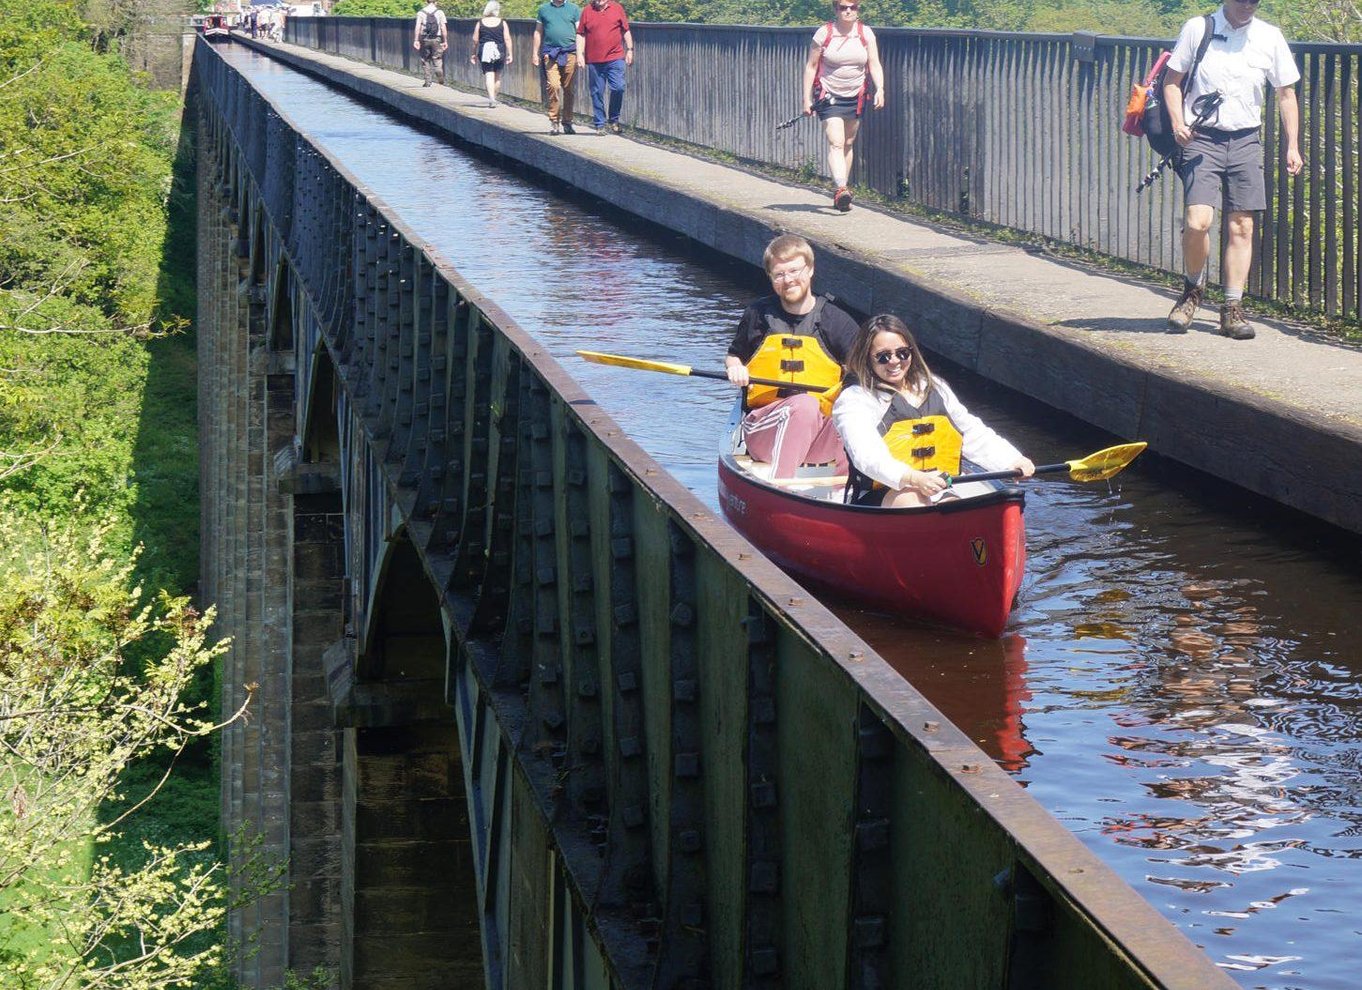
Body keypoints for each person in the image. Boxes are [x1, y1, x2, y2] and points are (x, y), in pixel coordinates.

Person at [1163, 0, 1302, 340]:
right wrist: (1178, 124)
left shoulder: (1269, 37)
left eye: (1254, 1)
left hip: (1245, 140)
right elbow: (1172, 82)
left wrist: (1292, 144)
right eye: (1242, 0)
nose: (1248, 6)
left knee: (1242, 226)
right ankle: (1193, 290)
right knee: (1198, 221)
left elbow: (1285, 93)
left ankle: (1231, 309)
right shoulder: (1199, 29)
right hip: (1202, 138)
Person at [832, 314, 1034, 507]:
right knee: (913, 497)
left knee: (968, 503)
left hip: (939, 487)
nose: (894, 361)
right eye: (883, 357)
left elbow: (971, 432)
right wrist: (913, 478)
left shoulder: (933, 386)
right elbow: (867, 455)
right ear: (867, 358)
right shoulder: (856, 399)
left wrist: (1012, 460)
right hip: (883, 493)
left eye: (902, 353)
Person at [724, 234, 859, 479]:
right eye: (779, 274)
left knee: (853, 418)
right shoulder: (757, 315)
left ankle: (846, 494)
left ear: (810, 270)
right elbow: (734, 356)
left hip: (818, 432)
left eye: (795, 271)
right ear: (771, 278)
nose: (788, 280)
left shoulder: (836, 321)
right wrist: (735, 368)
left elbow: (861, 370)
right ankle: (781, 486)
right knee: (804, 405)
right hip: (765, 428)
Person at [802, 1, 885, 213]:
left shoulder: (865, 33)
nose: (848, 11)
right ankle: (841, 188)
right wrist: (806, 99)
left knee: (848, 143)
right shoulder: (824, 33)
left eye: (853, 6)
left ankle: (842, 193)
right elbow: (811, 67)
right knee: (836, 142)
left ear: (858, 9)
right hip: (829, 95)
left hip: (855, 95)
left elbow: (874, 63)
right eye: (842, 7)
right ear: (835, 10)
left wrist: (880, 89)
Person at [576, 0, 633, 134]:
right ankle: (599, 124)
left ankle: (614, 119)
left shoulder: (617, 8)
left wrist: (630, 49)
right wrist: (579, 54)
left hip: (615, 57)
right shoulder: (587, 11)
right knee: (597, 91)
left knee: (618, 87)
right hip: (595, 60)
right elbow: (580, 34)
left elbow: (626, 30)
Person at [532, 0, 582, 135]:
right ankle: (554, 121)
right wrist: (535, 53)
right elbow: (538, 32)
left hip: (570, 52)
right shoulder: (543, 9)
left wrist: (580, 54)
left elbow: (580, 32)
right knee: (553, 85)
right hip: (550, 53)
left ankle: (567, 122)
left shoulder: (574, 9)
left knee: (569, 88)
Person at [471, 1, 512, 107]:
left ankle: (491, 98)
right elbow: (507, 38)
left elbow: (475, 40)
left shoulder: (480, 22)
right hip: (500, 49)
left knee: (489, 74)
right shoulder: (502, 22)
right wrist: (510, 54)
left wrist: (473, 53)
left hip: (485, 50)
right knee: (497, 76)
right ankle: (494, 97)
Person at [412, 0, 447, 88]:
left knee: (425, 59)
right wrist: (445, 40)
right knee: (437, 57)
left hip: (424, 38)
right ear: (436, 2)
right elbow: (443, 27)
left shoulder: (420, 12)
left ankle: (427, 82)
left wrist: (416, 40)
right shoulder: (440, 12)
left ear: (426, 2)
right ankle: (439, 72)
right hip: (437, 38)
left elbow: (417, 27)